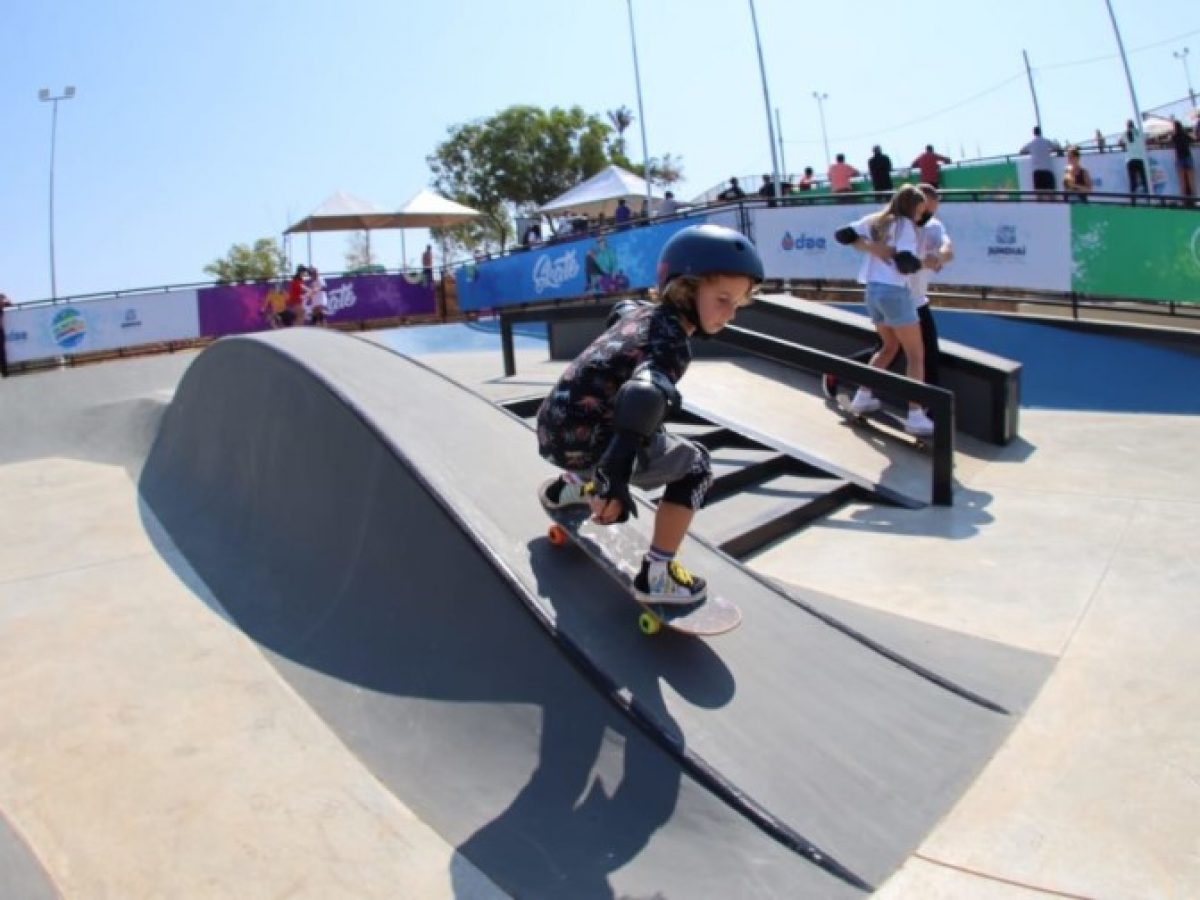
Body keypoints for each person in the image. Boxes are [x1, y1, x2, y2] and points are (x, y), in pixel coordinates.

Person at [536, 224, 763, 604]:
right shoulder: (672, 343)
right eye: (722, 298)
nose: (730, 313)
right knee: (696, 466)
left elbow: (616, 314)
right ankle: (658, 574)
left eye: (737, 304)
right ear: (686, 288)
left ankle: (571, 483)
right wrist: (616, 471)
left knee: (631, 413)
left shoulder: (636, 312)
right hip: (592, 446)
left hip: (550, 427)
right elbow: (644, 391)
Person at [833, 184, 934, 437]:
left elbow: (842, 234)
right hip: (894, 292)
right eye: (920, 211)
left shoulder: (876, 220)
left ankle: (862, 396)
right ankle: (916, 415)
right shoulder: (905, 226)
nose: (921, 217)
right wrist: (924, 262)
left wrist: (870, 247)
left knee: (889, 347)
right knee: (916, 355)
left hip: (872, 292)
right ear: (912, 207)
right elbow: (905, 264)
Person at [1021, 127, 1061, 200]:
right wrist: (1049, 151)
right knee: (1052, 194)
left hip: (1037, 171)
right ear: (1040, 132)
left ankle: (1041, 208)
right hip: (1047, 170)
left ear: (1034, 133)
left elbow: (1021, 151)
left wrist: (1031, 152)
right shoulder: (1046, 141)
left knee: (1039, 195)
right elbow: (1057, 148)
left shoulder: (1031, 143)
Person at [1170, 118, 1196, 203]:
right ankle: (1195, 201)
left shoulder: (1174, 136)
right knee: (1191, 181)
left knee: (1182, 183)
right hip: (1188, 157)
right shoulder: (1185, 135)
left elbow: (1170, 142)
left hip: (1180, 159)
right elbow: (1194, 139)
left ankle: (1184, 202)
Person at [1121, 119, 1149, 194]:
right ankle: (1149, 198)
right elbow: (1147, 139)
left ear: (1127, 126)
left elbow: (1120, 142)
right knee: (1145, 180)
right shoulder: (1139, 132)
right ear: (1133, 124)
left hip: (1130, 159)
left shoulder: (1125, 133)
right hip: (1141, 158)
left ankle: (1133, 201)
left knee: (1133, 181)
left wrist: (1125, 147)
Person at [0, 292, 13, 378]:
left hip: (0, 331)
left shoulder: (1, 306)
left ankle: (5, 372)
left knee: (2, 352)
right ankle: (4, 372)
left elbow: (10, 303)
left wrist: (5, 298)